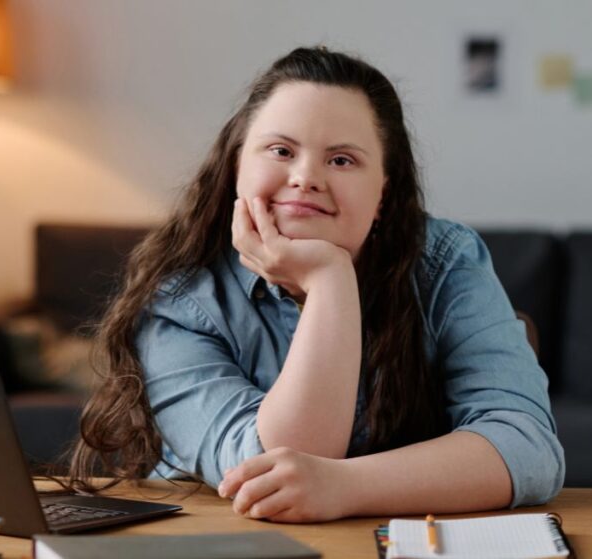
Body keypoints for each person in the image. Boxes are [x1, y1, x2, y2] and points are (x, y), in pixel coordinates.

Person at [68, 46, 564, 523]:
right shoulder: (181, 299)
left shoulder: (445, 262)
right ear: (238, 165)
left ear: (383, 193)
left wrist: (344, 486)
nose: (306, 177)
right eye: (281, 150)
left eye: (342, 160)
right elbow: (274, 470)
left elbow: (527, 447)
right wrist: (329, 279)